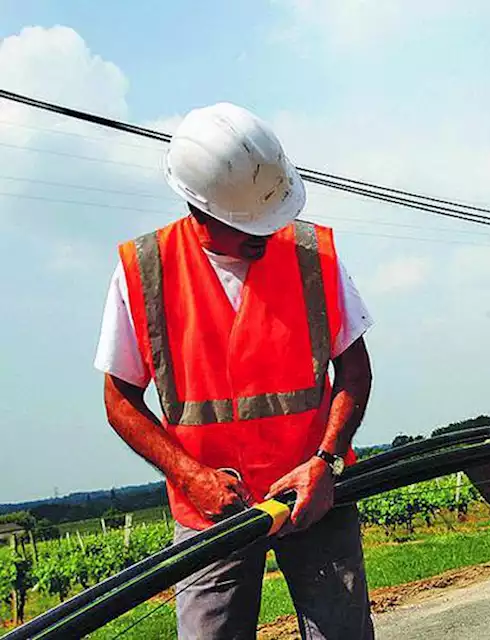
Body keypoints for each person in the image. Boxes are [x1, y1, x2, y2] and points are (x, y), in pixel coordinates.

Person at [94, 102, 375, 639]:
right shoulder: (144, 270)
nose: (269, 235)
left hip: (313, 494)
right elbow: (119, 400)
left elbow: (355, 373)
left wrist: (326, 462)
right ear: (198, 208)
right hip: (210, 514)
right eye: (249, 226)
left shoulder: (312, 254)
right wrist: (191, 477)